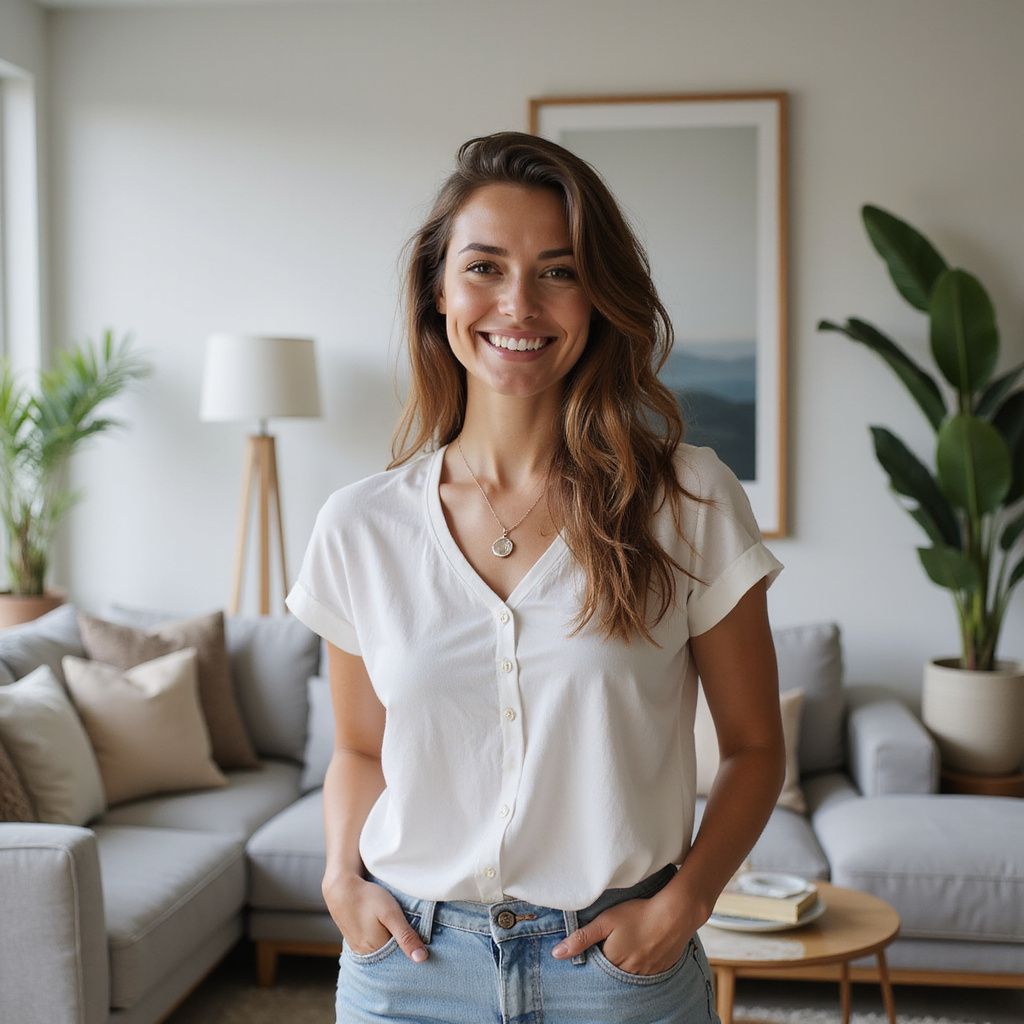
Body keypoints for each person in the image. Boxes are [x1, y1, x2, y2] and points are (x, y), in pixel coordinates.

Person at [285, 129, 786, 1024]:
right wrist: (338, 879)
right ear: (438, 290)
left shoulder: (691, 500)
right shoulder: (359, 526)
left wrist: (686, 904)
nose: (518, 303)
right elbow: (360, 750)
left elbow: (753, 747)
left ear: (597, 296)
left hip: (616, 975)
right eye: (485, 267)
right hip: (408, 968)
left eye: (557, 270)